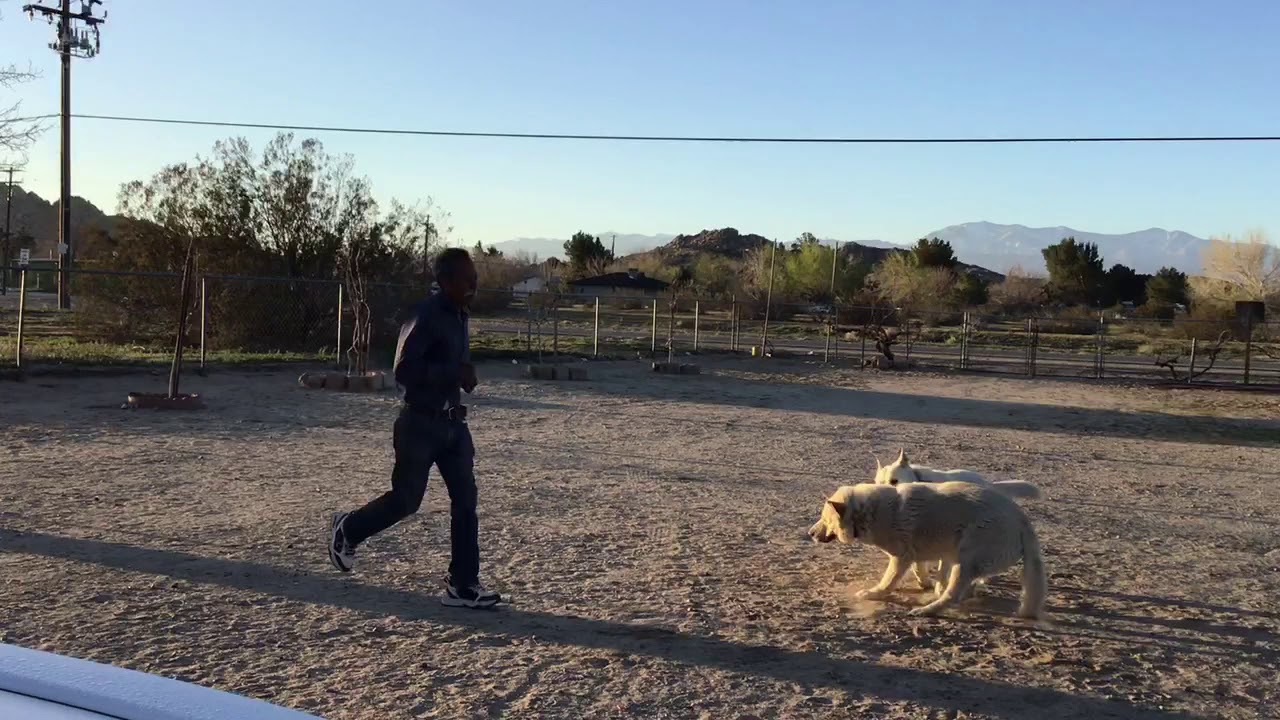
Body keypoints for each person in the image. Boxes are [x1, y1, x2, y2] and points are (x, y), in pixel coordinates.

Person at [327, 247, 500, 609]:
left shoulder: (460, 314)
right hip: (419, 424)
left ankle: (463, 584)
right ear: (445, 281)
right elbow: (403, 370)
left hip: (454, 425)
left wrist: (462, 378)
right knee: (406, 502)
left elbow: (449, 364)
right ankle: (348, 529)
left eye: (475, 278)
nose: (474, 284)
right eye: (467, 278)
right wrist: (453, 372)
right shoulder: (426, 315)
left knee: (466, 502)